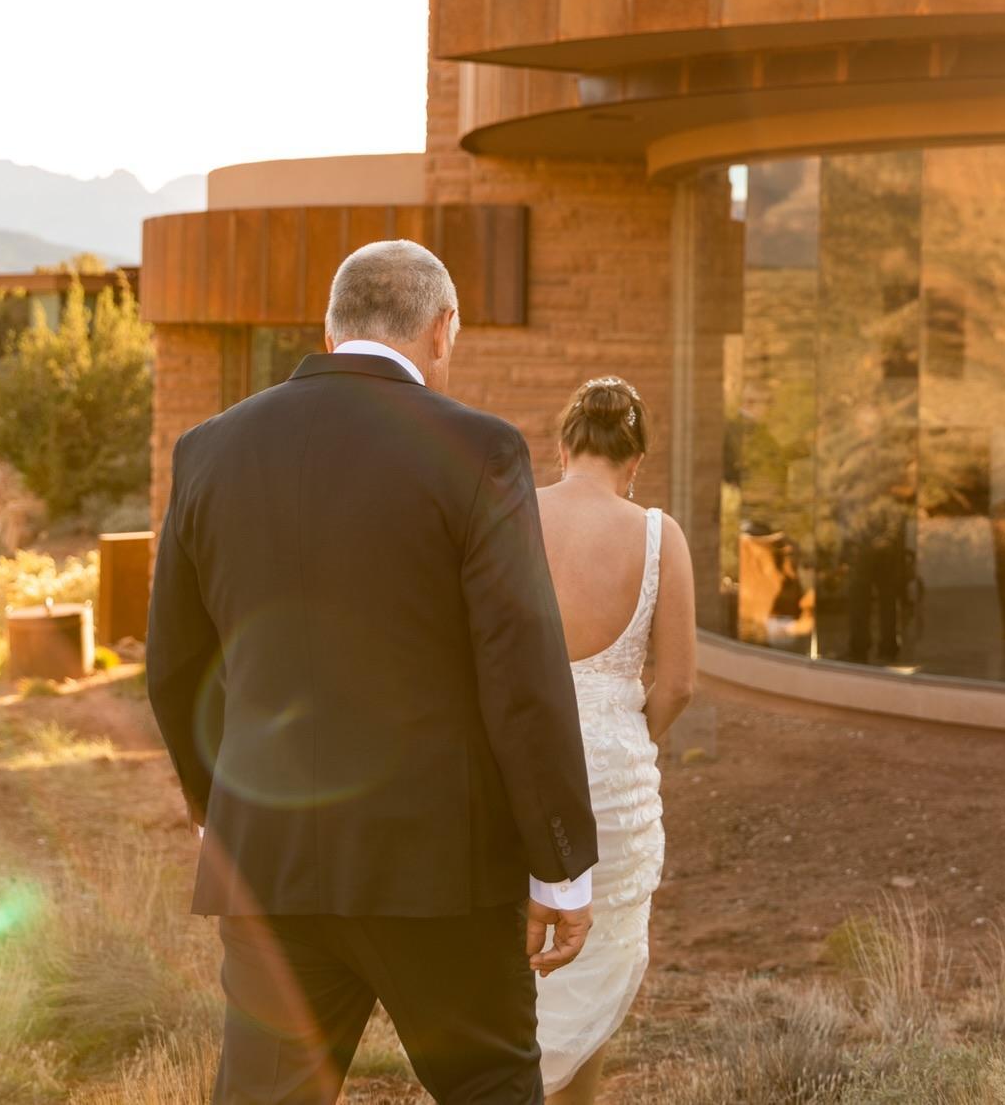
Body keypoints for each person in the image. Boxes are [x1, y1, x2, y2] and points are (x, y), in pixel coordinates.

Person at [147, 240, 598, 1105]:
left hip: (269, 860)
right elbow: (522, 671)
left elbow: (173, 665)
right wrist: (561, 864)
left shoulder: (207, 449)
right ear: (443, 329)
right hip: (440, 870)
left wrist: (221, 814)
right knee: (489, 1087)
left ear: (330, 329)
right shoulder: (482, 449)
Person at [530, 375, 695, 1103]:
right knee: (592, 967)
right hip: (611, 789)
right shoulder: (659, 536)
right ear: (636, 462)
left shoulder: (512, 513)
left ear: (563, 447)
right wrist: (625, 734)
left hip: (515, 771)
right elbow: (678, 683)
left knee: (505, 949)